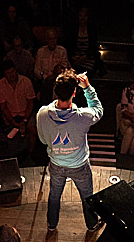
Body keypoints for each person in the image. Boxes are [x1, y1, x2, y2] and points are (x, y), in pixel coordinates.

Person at [36, 68, 103, 232]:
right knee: (87, 197)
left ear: (56, 91)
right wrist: (87, 88)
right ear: (74, 93)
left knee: (54, 195)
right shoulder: (83, 117)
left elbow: (43, 140)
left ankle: (52, 225)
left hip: (56, 164)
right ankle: (92, 225)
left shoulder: (42, 114)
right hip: (80, 166)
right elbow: (98, 109)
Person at [0, 60, 38, 150]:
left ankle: (30, 153)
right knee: (10, 136)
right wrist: (12, 121)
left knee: (32, 131)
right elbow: (3, 107)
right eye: (8, 73)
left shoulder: (26, 81)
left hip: (26, 113)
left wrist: (25, 120)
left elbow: (30, 103)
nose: (11, 75)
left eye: (12, 71)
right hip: (11, 115)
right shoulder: (0, 85)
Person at [63, 6, 101, 77]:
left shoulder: (91, 29)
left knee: (87, 72)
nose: (82, 18)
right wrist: (73, 57)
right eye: (80, 16)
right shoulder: (73, 28)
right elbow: (69, 45)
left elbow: (93, 47)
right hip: (75, 57)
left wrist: (85, 57)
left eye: (84, 16)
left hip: (88, 57)